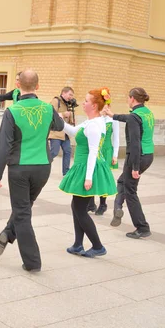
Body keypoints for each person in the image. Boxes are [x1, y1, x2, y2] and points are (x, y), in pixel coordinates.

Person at [0, 70, 64, 272]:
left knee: (22, 213)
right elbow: (59, 125)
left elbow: (3, 146)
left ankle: (32, 262)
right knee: (25, 206)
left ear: (17, 85)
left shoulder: (12, 111)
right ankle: (7, 232)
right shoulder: (48, 108)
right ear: (38, 87)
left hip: (19, 168)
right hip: (43, 167)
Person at [59, 88, 117, 257]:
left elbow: (93, 151)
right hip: (83, 166)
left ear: (93, 105)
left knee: (79, 209)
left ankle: (98, 246)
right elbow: (73, 131)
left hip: (87, 167)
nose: (82, 103)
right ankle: (78, 244)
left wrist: (88, 178)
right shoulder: (90, 122)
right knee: (77, 207)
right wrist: (57, 118)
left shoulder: (95, 125)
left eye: (85, 101)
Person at [103, 87, 154, 239]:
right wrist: (113, 115)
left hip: (137, 156)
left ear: (132, 98)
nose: (127, 100)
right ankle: (117, 207)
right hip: (148, 155)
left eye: (128, 98)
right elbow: (129, 118)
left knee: (130, 190)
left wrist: (135, 167)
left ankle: (142, 227)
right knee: (122, 182)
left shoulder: (134, 117)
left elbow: (135, 143)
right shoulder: (146, 113)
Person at [88, 108, 120, 215]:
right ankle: (91, 203)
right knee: (90, 174)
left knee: (103, 177)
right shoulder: (95, 118)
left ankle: (103, 204)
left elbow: (116, 138)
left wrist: (115, 155)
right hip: (94, 148)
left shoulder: (113, 119)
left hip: (106, 150)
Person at [49, 87, 77, 176]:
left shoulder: (67, 104)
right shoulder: (56, 101)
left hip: (65, 133)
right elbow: (50, 114)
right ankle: (42, 166)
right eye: (70, 94)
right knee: (54, 152)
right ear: (63, 93)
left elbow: (66, 118)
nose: (71, 97)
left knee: (68, 151)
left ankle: (66, 172)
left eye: (72, 95)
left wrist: (71, 119)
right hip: (56, 132)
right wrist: (64, 114)